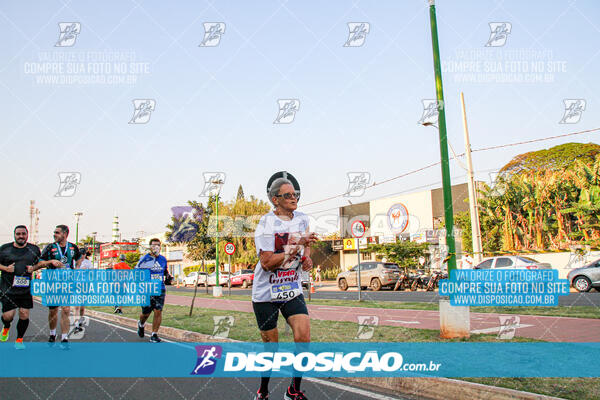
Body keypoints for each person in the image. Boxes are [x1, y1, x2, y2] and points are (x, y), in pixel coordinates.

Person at [251, 177, 318, 400]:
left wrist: (307, 259)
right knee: (272, 346)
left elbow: (306, 246)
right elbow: (267, 262)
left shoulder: (302, 219)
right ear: (275, 200)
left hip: (291, 288)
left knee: (303, 336)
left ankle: (293, 389)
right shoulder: (265, 225)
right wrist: (298, 244)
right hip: (266, 293)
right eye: (288, 195)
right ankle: (263, 390)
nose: (294, 198)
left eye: (295, 194)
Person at [0, 226, 61, 349]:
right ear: (14, 235)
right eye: (18, 234)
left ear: (27, 235)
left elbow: (39, 263)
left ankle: (19, 340)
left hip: (25, 288)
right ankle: (6, 326)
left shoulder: (33, 249)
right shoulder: (5, 249)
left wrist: (40, 266)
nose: (21, 236)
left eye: (23, 234)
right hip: (8, 288)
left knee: (24, 314)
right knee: (8, 316)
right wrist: (6, 269)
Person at [33, 225, 83, 347]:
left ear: (65, 234)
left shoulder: (72, 247)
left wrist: (76, 268)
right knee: (53, 310)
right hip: (52, 283)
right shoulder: (50, 247)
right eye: (54, 232)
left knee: (66, 309)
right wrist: (50, 262)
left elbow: (79, 258)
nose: (54, 234)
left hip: (67, 283)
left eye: (57, 232)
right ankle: (52, 333)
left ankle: (65, 337)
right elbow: (39, 262)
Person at [135, 239, 171, 343]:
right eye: (154, 245)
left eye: (158, 245)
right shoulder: (144, 259)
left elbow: (164, 271)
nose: (156, 247)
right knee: (146, 313)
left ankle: (154, 334)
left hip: (160, 288)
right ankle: (141, 324)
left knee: (158, 311)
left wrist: (168, 276)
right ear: (150, 247)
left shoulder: (163, 259)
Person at [74, 249, 93, 332]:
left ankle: (81, 320)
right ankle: (76, 324)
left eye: (83, 254)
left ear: (85, 254)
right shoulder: (75, 261)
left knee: (82, 306)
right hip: (76, 284)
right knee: (76, 306)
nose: (82, 255)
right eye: (81, 254)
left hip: (85, 285)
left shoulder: (88, 262)